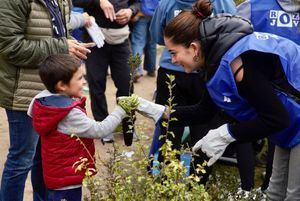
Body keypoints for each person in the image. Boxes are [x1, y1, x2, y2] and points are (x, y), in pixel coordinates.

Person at [119, 0, 300, 200]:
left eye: (174, 52)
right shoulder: (214, 61)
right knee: (275, 194)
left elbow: (277, 119)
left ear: (194, 48)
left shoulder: (238, 64)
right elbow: (203, 111)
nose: (173, 60)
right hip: (290, 124)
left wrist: (226, 134)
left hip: (291, 120)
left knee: (293, 195)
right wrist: (159, 111)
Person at [0, 0, 92, 200]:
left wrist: (72, 46)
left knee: (44, 158)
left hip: (52, 93)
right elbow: (9, 46)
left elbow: (60, 33)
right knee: (21, 160)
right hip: (24, 93)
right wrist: (61, 46)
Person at [149, 0, 236, 183]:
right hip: (204, 71)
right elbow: (231, 35)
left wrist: (177, 46)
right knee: (202, 133)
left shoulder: (167, 3)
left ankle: (165, 183)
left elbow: (158, 35)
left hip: (178, 72)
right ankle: (196, 185)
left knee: (170, 130)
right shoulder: (223, 3)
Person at [27, 54, 127, 201]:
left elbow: (30, 113)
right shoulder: (68, 113)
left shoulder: (40, 100)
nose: (84, 82)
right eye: (80, 78)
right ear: (62, 85)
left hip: (55, 176)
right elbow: (100, 130)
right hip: (68, 181)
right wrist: (121, 110)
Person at [236, 0, 300, 193]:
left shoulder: (253, 6)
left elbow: (231, 41)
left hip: (260, 91)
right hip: (291, 99)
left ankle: (248, 188)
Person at [73, 0, 140, 143]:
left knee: (126, 85)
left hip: (121, 40)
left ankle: (128, 127)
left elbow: (137, 3)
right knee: (96, 84)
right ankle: (103, 128)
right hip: (95, 37)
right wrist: (100, 1)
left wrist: (131, 11)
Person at [130, 0, 159, 81]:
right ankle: (151, 69)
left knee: (138, 42)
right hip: (156, 12)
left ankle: (136, 70)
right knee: (152, 43)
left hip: (141, 12)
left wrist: (135, 12)